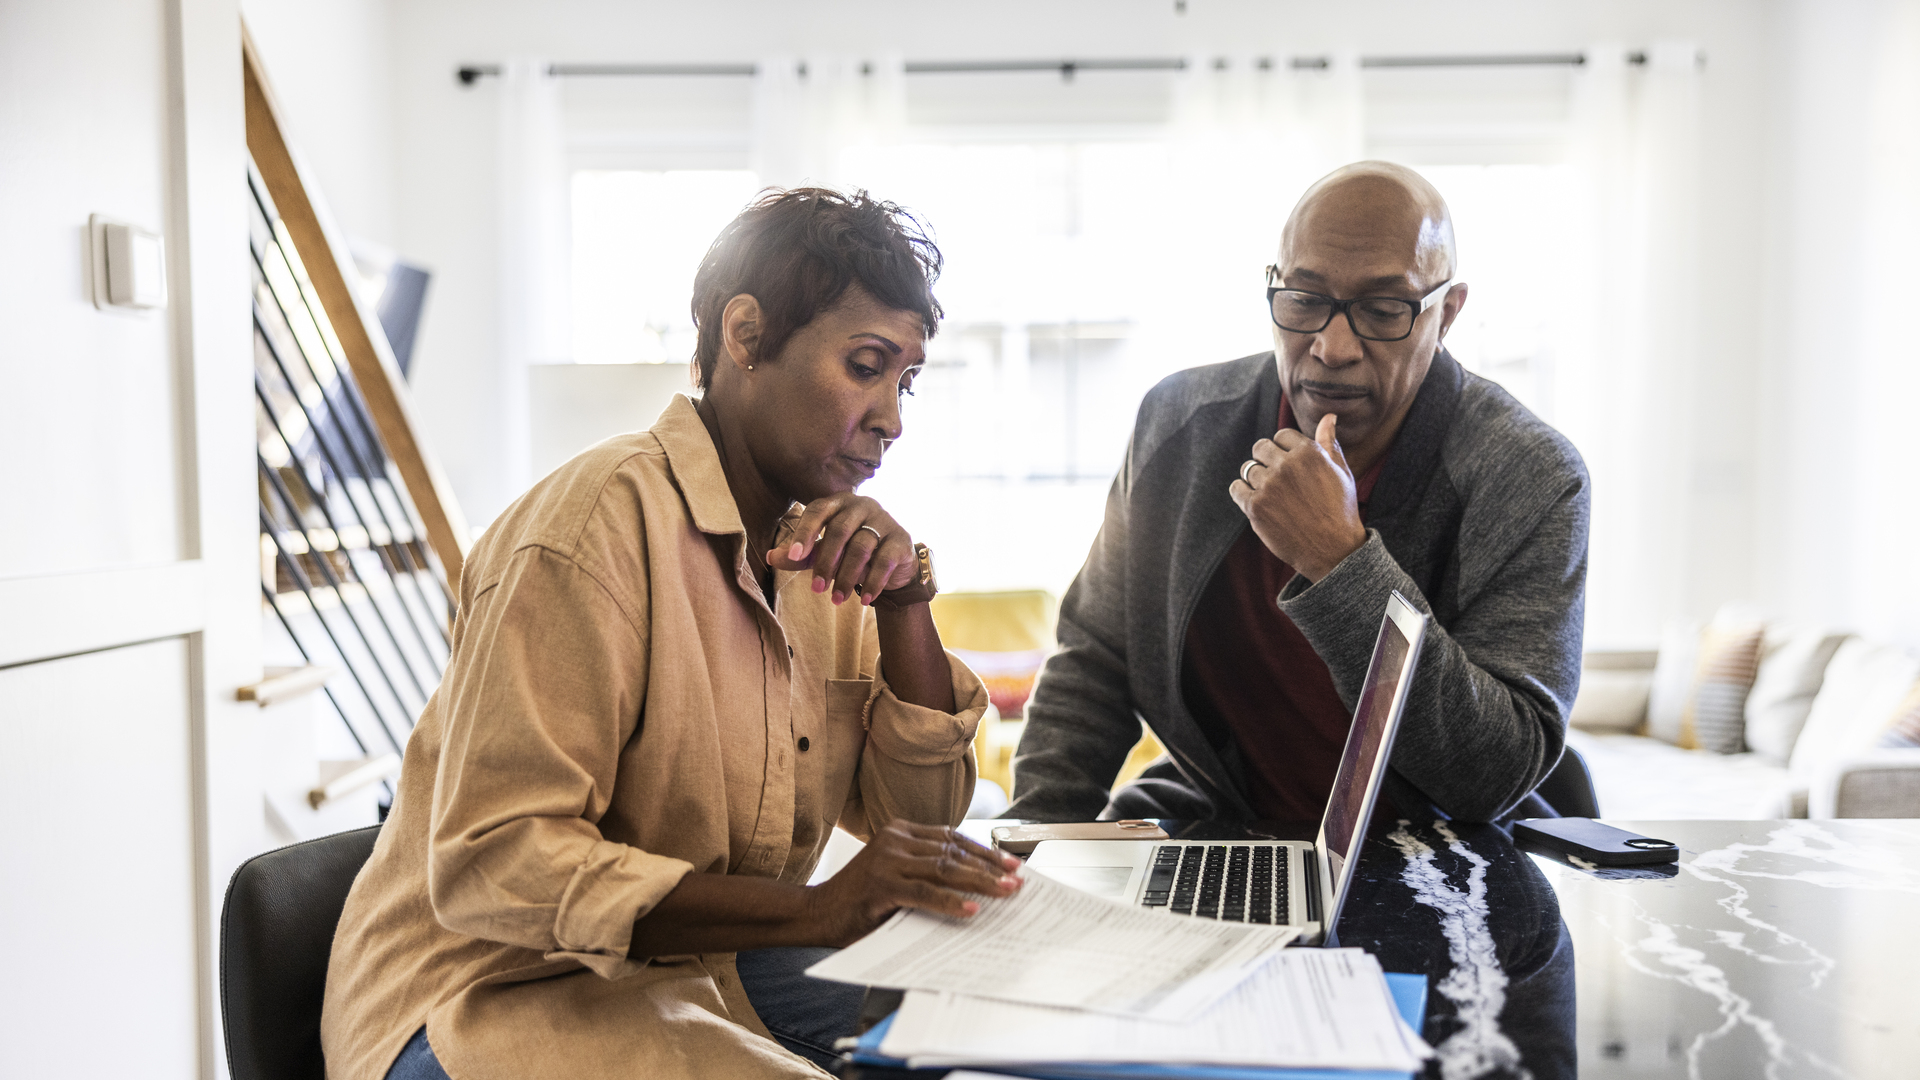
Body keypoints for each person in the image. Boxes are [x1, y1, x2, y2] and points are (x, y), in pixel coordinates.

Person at [322, 188, 1022, 1080]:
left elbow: (916, 822)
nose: (892, 415)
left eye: (905, 379)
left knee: (994, 1027)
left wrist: (904, 602)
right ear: (746, 336)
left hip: (691, 970)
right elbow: (496, 863)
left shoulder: (819, 554)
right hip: (481, 996)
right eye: (866, 365)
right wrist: (816, 912)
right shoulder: (585, 534)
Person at [1007, 162, 1590, 826]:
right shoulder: (1179, 426)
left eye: (1382, 310)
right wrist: (1031, 852)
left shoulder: (1531, 475)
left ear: (1446, 314)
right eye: (1305, 299)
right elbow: (1095, 663)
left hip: (1441, 852)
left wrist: (1343, 565)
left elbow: (1493, 771)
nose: (1332, 347)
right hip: (1226, 825)